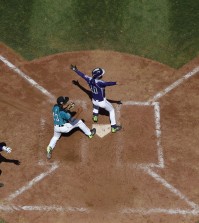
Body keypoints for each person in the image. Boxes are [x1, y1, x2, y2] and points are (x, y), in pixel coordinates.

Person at [70, 65, 122, 133]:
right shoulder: (100, 83)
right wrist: (115, 83)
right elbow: (108, 83)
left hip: (94, 100)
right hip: (102, 102)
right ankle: (114, 127)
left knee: (96, 104)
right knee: (112, 110)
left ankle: (95, 115)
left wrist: (76, 70)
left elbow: (82, 75)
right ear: (99, 76)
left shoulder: (89, 79)